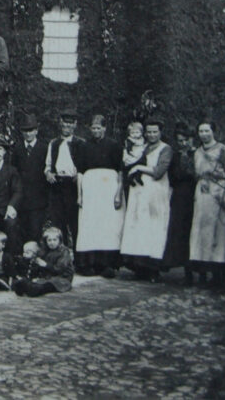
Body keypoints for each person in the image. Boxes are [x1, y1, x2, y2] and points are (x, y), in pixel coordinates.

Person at [119, 119, 173, 280]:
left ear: (160, 132)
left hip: (156, 192)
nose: (151, 135)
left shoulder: (166, 149)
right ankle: (139, 266)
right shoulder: (143, 147)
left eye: (154, 131)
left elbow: (159, 171)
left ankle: (153, 268)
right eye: (148, 132)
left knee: (154, 229)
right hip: (140, 192)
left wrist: (139, 167)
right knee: (139, 227)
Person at [189, 121, 225, 290]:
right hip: (203, 194)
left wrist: (215, 174)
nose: (204, 134)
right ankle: (204, 272)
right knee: (202, 231)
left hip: (219, 191)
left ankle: (221, 274)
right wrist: (201, 179)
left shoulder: (223, 150)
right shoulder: (197, 152)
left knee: (219, 231)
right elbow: (196, 171)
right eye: (201, 131)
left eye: (207, 131)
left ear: (214, 132)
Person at [76, 114, 125, 278]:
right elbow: (80, 172)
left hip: (108, 189)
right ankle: (88, 263)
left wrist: (118, 193)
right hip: (90, 189)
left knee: (107, 225)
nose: (96, 131)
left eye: (99, 128)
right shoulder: (84, 146)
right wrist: (80, 195)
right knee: (90, 225)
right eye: (93, 128)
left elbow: (120, 171)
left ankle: (106, 264)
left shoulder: (114, 145)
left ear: (105, 128)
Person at [162, 124, 198, 284]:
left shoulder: (197, 154)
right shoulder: (176, 156)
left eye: (185, 140)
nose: (183, 143)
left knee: (196, 233)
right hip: (180, 196)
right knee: (181, 233)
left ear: (191, 139)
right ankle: (187, 272)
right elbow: (172, 176)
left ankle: (203, 273)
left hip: (195, 195)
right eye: (180, 140)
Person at [44, 111, 82, 250]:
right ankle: (61, 256)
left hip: (73, 185)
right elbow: (47, 165)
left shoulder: (80, 143)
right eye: (64, 124)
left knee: (75, 223)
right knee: (58, 223)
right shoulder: (54, 143)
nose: (67, 127)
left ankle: (79, 259)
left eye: (70, 124)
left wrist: (80, 174)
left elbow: (85, 164)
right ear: (60, 124)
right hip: (57, 185)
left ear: (75, 125)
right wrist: (48, 174)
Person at [11, 115, 49, 245]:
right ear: (21, 132)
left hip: (38, 199)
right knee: (22, 230)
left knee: (35, 230)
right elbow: (14, 172)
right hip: (21, 199)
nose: (28, 134)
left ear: (36, 130)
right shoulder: (17, 148)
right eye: (25, 131)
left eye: (31, 130)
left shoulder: (44, 148)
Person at [12, 227, 74, 297]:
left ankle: (33, 290)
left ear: (59, 240)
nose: (52, 242)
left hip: (62, 278)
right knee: (37, 281)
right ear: (46, 241)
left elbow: (60, 268)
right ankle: (23, 287)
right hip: (47, 277)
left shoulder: (64, 252)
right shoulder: (45, 250)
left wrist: (45, 265)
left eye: (55, 240)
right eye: (49, 240)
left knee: (48, 285)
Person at [122, 121, 148, 193]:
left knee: (142, 164)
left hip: (139, 154)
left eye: (137, 132)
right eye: (132, 133)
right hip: (133, 155)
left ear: (141, 132)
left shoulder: (142, 140)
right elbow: (128, 148)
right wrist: (131, 152)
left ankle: (138, 177)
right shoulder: (129, 140)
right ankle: (130, 178)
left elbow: (145, 146)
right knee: (133, 166)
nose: (135, 135)